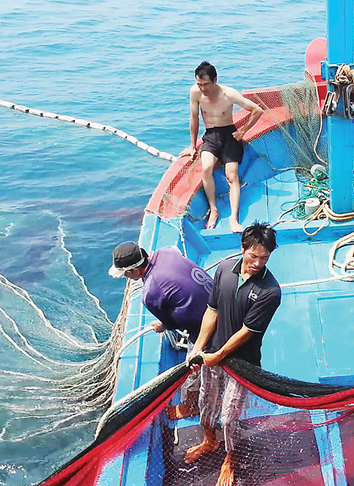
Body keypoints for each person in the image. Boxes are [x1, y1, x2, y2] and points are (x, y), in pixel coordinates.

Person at [184, 222, 281, 486]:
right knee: (207, 404)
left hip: (242, 362)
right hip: (212, 354)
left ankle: (230, 458)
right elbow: (212, 311)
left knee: (229, 417)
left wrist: (219, 356)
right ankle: (209, 441)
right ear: (242, 249)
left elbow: (246, 332)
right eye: (253, 256)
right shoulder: (224, 269)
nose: (258, 263)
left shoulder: (270, 291)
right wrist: (199, 347)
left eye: (264, 258)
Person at [109, 241, 213, 418]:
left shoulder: (150, 292)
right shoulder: (166, 252)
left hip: (207, 328)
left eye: (126, 273)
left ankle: (191, 405)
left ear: (134, 271)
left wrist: (162, 326)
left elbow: (173, 324)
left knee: (193, 366)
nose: (126, 277)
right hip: (219, 302)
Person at [183, 61, 264, 233]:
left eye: (206, 84)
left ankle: (234, 218)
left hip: (229, 136)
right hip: (211, 136)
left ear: (215, 80)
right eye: (199, 84)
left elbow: (257, 110)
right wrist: (192, 145)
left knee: (232, 175)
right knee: (205, 169)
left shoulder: (228, 94)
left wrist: (243, 132)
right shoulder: (195, 92)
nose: (202, 88)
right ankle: (213, 209)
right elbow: (194, 118)